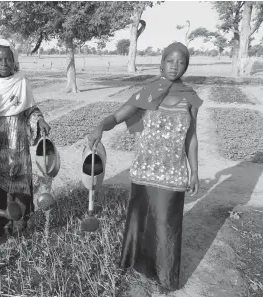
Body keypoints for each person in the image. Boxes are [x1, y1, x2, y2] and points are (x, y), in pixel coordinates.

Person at [87, 42, 203, 290]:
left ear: (186, 66)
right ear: (161, 63)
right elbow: (117, 116)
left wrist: (194, 171)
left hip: (173, 173)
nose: (174, 66)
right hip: (144, 170)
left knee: (166, 225)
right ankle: (138, 265)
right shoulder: (148, 93)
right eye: (170, 61)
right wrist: (100, 126)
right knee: (143, 221)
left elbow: (191, 137)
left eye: (180, 62)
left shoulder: (190, 98)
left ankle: (164, 276)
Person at [0, 39, 51, 238]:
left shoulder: (21, 82)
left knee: (18, 182)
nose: (3, 63)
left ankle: (19, 223)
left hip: (16, 143)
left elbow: (30, 108)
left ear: (15, 60)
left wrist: (40, 120)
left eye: (8, 59)